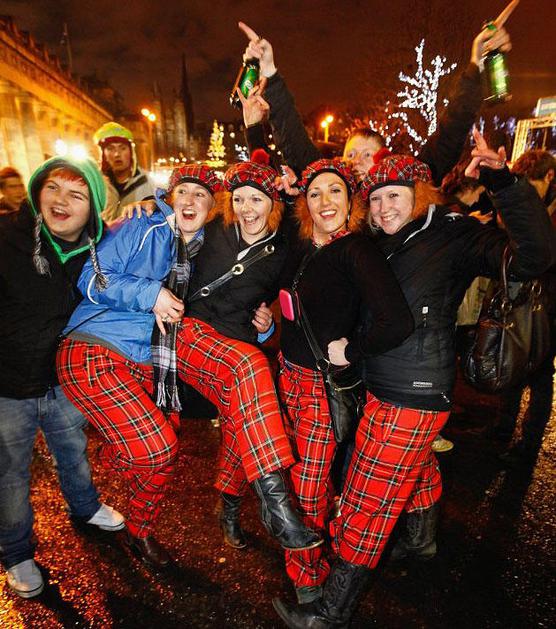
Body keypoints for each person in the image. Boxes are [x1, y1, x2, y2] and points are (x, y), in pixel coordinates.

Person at [273, 134, 556, 627]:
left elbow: (534, 257)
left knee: (365, 502)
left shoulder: (453, 232)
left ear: (419, 195)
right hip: (377, 383)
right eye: (376, 198)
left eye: (395, 196)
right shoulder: (378, 238)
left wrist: (504, 183)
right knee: (414, 466)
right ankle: (421, 541)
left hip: (414, 392)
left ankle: (331, 613)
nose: (384, 207)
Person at [56, 164, 222, 569]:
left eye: (201, 195)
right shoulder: (142, 223)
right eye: (183, 192)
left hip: (147, 360)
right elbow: (91, 278)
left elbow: (229, 304)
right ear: (169, 197)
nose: (190, 201)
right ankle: (119, 456)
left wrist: (261, 326)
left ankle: (139, 530)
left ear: (213, 208)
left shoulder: (208, 251)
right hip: (94, 346)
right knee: (157, 447)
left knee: (164, 446)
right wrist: (151, 294)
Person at [276, 157, 413, 604]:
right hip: (286, 378)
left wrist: (351, 350)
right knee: (298, 475)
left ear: (351, 201)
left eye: (335, 190)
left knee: (307, 483)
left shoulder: (356, 250)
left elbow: (397, 321)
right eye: (315, 193)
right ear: (304, 204)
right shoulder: (301, 243)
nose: (325, 201)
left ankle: (308, 576)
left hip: (322, 388)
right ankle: (315, 550)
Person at [174, 161, 322, 553]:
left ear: (272, 204)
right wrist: (146, 205)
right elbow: (178, 210)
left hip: (237, 342)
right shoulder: (213, 227)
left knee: (248, 422)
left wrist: (268, 326)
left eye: (256, 199)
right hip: (190, 332)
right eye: (239, 199)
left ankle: (229, 507)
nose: (246, 208)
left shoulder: (282, 252)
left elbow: (278, 306)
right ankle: (278, 509)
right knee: (252, 368)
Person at [0, 156, 124, 599]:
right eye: (52, 187)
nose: (61, 201)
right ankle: (17, 552)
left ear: (92, 209)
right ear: (37, 192)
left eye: (76, 194)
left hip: (62, 382)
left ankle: (85, 506)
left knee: (72, 453)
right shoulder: (7, 237)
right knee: (9, 475)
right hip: (7, 386)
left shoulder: (102, 250)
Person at [238, 20, 511, 183]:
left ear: (385, 159)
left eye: (367, 155)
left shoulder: (404, 187)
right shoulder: (330, 190)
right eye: (351, 155)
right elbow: (294, 141)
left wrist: (477, 65)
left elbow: (449, 135)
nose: (356, 162)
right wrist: (269, 71)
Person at [495, 149, 556, 463]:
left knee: (541, 374)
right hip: (524, 299)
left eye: (534, 185)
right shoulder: (533, 207)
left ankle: (529, 443)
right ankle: (503, 426)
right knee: (514, 360)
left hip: (550, 307)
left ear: (550, 177)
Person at [93, 122, 154, 223]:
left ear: (131, 152)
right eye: (110, 148)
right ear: (103, 155)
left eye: (123, 148)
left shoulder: (147, 182)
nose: (117, 154)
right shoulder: (95, 184)